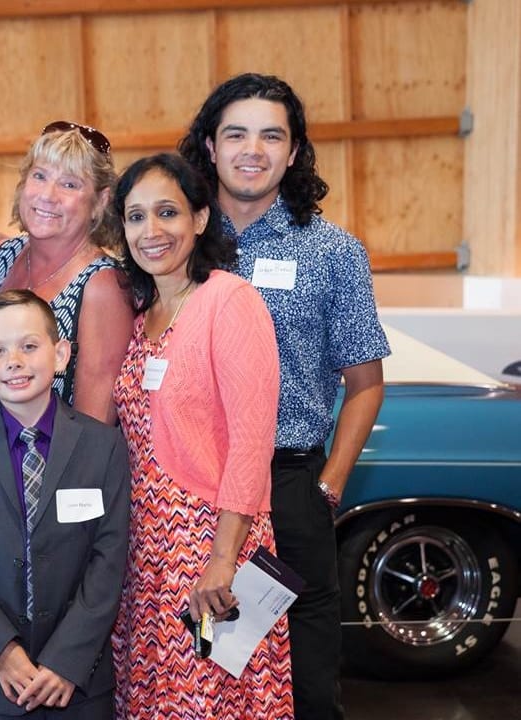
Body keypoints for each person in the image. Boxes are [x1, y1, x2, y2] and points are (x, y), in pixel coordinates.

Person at [179, 73, 389, 720]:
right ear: (208, 147)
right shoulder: (173, 242)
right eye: (235, 133)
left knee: (304, 687)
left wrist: (325, 486)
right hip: (188, 491)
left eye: (271, 135)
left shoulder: (333, 253)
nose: (252, 149)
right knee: (196, 679)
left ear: (293, 151)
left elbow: (364, 384)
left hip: (287, 484)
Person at [109, 153, 292, 719]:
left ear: (201, 218)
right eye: (136, 217)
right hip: (145, 549)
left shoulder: (229, 300)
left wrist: (222, 559)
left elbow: (252, 441)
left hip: (209, 538)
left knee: (213, 701)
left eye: (167, 212)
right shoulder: (141, 314)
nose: (151, 231)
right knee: (152, 698)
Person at [0, 289, 130, 719]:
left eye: (29, 346)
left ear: (60, 354)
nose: (14, 361)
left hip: (80, 681)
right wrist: (0, 650)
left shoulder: (104, 446)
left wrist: (67, 659)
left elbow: (109, 559)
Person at [0, 122, 133, 424]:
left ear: (100, 202)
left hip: (56, 464)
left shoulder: (103, 285)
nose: (48, 195)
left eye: (69, 184)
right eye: (39, 176)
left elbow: (94, 425)